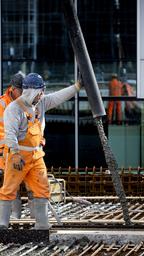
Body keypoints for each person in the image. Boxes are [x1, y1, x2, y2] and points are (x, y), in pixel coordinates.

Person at [0, 73, 81, 230]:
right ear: (31, 91)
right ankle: (2, 223)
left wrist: (77, 87)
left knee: (42, 188)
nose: (42, 95)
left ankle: (42, 224)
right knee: (9, 188)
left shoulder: (40, 103)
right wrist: (15, 154)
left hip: (36, 156)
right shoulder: (14, 108)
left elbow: (58, 97)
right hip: (19, 156)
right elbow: (9, 133)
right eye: (40, 92)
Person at [0, 72, 27, 219]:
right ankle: (12, 219)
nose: (23, 94)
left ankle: (21, 219)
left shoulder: (27, 103)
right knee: (11, 186)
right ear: (12, 88)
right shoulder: (2, 104)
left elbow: (35, 125)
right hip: (5, 153)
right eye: (21, 90)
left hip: (23, 152)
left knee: (30, 187)